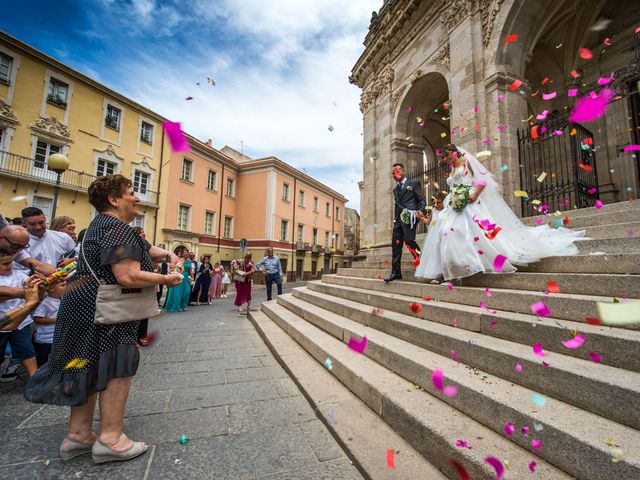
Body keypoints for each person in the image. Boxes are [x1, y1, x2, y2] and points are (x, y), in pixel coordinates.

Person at [24, 174, 181, 465]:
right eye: (132, 192)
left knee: (87, 365)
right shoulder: (118, 228)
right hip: (106, 310)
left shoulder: (101, 226)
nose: (137, 198)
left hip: (82, 306)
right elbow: (128, 275)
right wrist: (167, 278)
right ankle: (112, 439)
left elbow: (147, 250)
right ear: (114, 199)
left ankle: (79, 435)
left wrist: (168, 255)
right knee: (117, 365)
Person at [415, 144, 586, 283]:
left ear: (454, 152)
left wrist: (474, 194)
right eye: (443, 158)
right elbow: (453, 186)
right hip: (454, 204)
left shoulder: (467, 163)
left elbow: (483, 180)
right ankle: (454, 270)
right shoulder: (453, 169)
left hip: (469, 203)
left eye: (446, 156)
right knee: (446, 233)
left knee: (462, 232)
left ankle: (464, 267)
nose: (445, 160)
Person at [0, 248, 45, 380]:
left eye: (11, 262)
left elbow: (31, 286)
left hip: (22, 322)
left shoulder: (18, 275)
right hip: (3, 322)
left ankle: (34, 380)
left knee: (27, 351)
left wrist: (39, 283)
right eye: (5, 264)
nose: (10, 266)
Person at [384, 162, 426, 282]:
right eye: (392, 173)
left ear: (403, 171)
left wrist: (419, 211)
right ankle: (396, 272)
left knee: (409, 241)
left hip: (410, 218)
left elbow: (422, 200)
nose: (394, 174)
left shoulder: (413, 183)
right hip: (398, 220)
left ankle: (421, 262)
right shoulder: (395, 190)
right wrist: (395, 219)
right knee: (395, 246)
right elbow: (397, 206)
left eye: (397, 171)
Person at [33, 279, 66, 367]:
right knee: (45, 362)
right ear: (51, 289)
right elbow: (37, 318)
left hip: (57, 337)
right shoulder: (45, 303)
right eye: (62, 285)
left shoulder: (62, 299)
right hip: (45, 339)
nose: (66, 287)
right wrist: (56, 320)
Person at [132, 227, 152, 346]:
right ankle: (135, 337)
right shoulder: (133, 246)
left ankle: (142, 335)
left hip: (145, 282)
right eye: (142, 235)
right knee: (136, 311)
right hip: (137, 282)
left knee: (144, 311)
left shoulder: (145, 245)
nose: (144, 237)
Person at [164, 247, 192, 312]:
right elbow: (173, 268)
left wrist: (193, 277)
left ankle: (184, 305)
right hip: (180, 276)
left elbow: (190, 270)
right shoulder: (179, 260)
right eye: (185, 252)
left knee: (187, 291)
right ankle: (177, 305)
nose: (186, 253)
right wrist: (176, 274)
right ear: (182, 254)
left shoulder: (189, 261)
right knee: (178, 292)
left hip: (186, 277)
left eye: (187, 252)